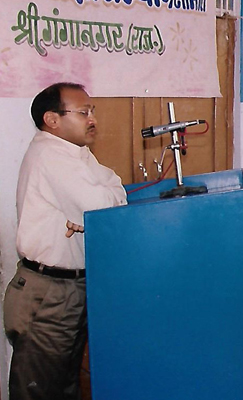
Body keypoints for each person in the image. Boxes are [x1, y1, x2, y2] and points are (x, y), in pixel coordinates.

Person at [4, 83, 128, 400]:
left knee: (65, 385)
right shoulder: (51, 156)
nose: (92, 119)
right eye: (83, 112)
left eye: (92, 111)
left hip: (69, 288)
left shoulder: (76, 153)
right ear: (52, 119)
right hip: (47, 293)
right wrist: (99, 204)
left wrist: (94, 208)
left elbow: (116, 189)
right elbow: (103, 208)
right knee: (40, 389)